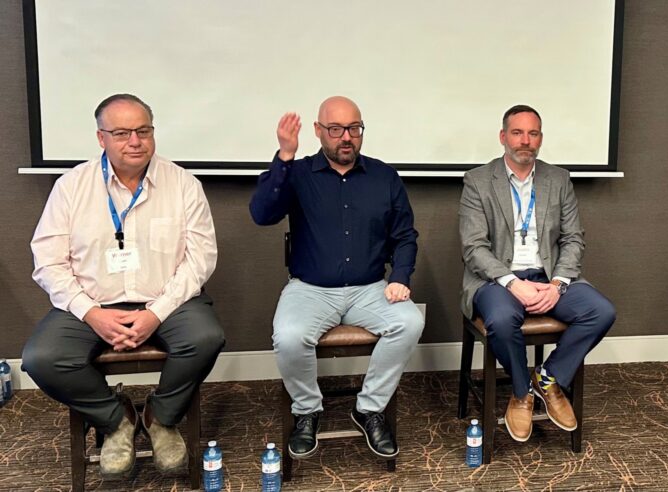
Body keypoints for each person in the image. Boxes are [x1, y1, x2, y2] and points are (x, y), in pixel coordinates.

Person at [22, 94, 224, 477]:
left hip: (168, 302)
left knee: (205, 338)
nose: (135, 141)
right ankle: (117, 419)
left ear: (153, 133)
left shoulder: (183, 184)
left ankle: (161, 417)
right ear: (101, 138)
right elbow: (48, 262)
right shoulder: (71, 187)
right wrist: (91, 313)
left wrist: (155, 313)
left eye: (143, 130)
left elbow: (200, 259)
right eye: (122, 133)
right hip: (91, 302)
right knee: (42, 358)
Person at [250, 96, 423, 460]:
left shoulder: (384, 176)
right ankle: (307, 410)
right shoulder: (296, 173)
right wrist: (283, 157)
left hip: (371, 289)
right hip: (310, 289)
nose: (346, 137)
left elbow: (405, 235)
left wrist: (401, 276)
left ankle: (369, 408)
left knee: (409, 321)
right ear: (318, 131)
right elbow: (262, 214)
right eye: (336, 129)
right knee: (289, 336)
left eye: (354, 129)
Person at [459, 104, 616, 442]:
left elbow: (573, 238)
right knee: (501, 321)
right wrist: (513, 283)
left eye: (533, 134)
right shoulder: (478, 181)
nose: (525, 141)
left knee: (601, 311)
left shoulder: (558, 179)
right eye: (517, 133)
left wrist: (558, 283)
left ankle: (547, 378)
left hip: (548, 276)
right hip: (497, 279)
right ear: (503, 137)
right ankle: (520, 392)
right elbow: (474, 247)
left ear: (540, 139)